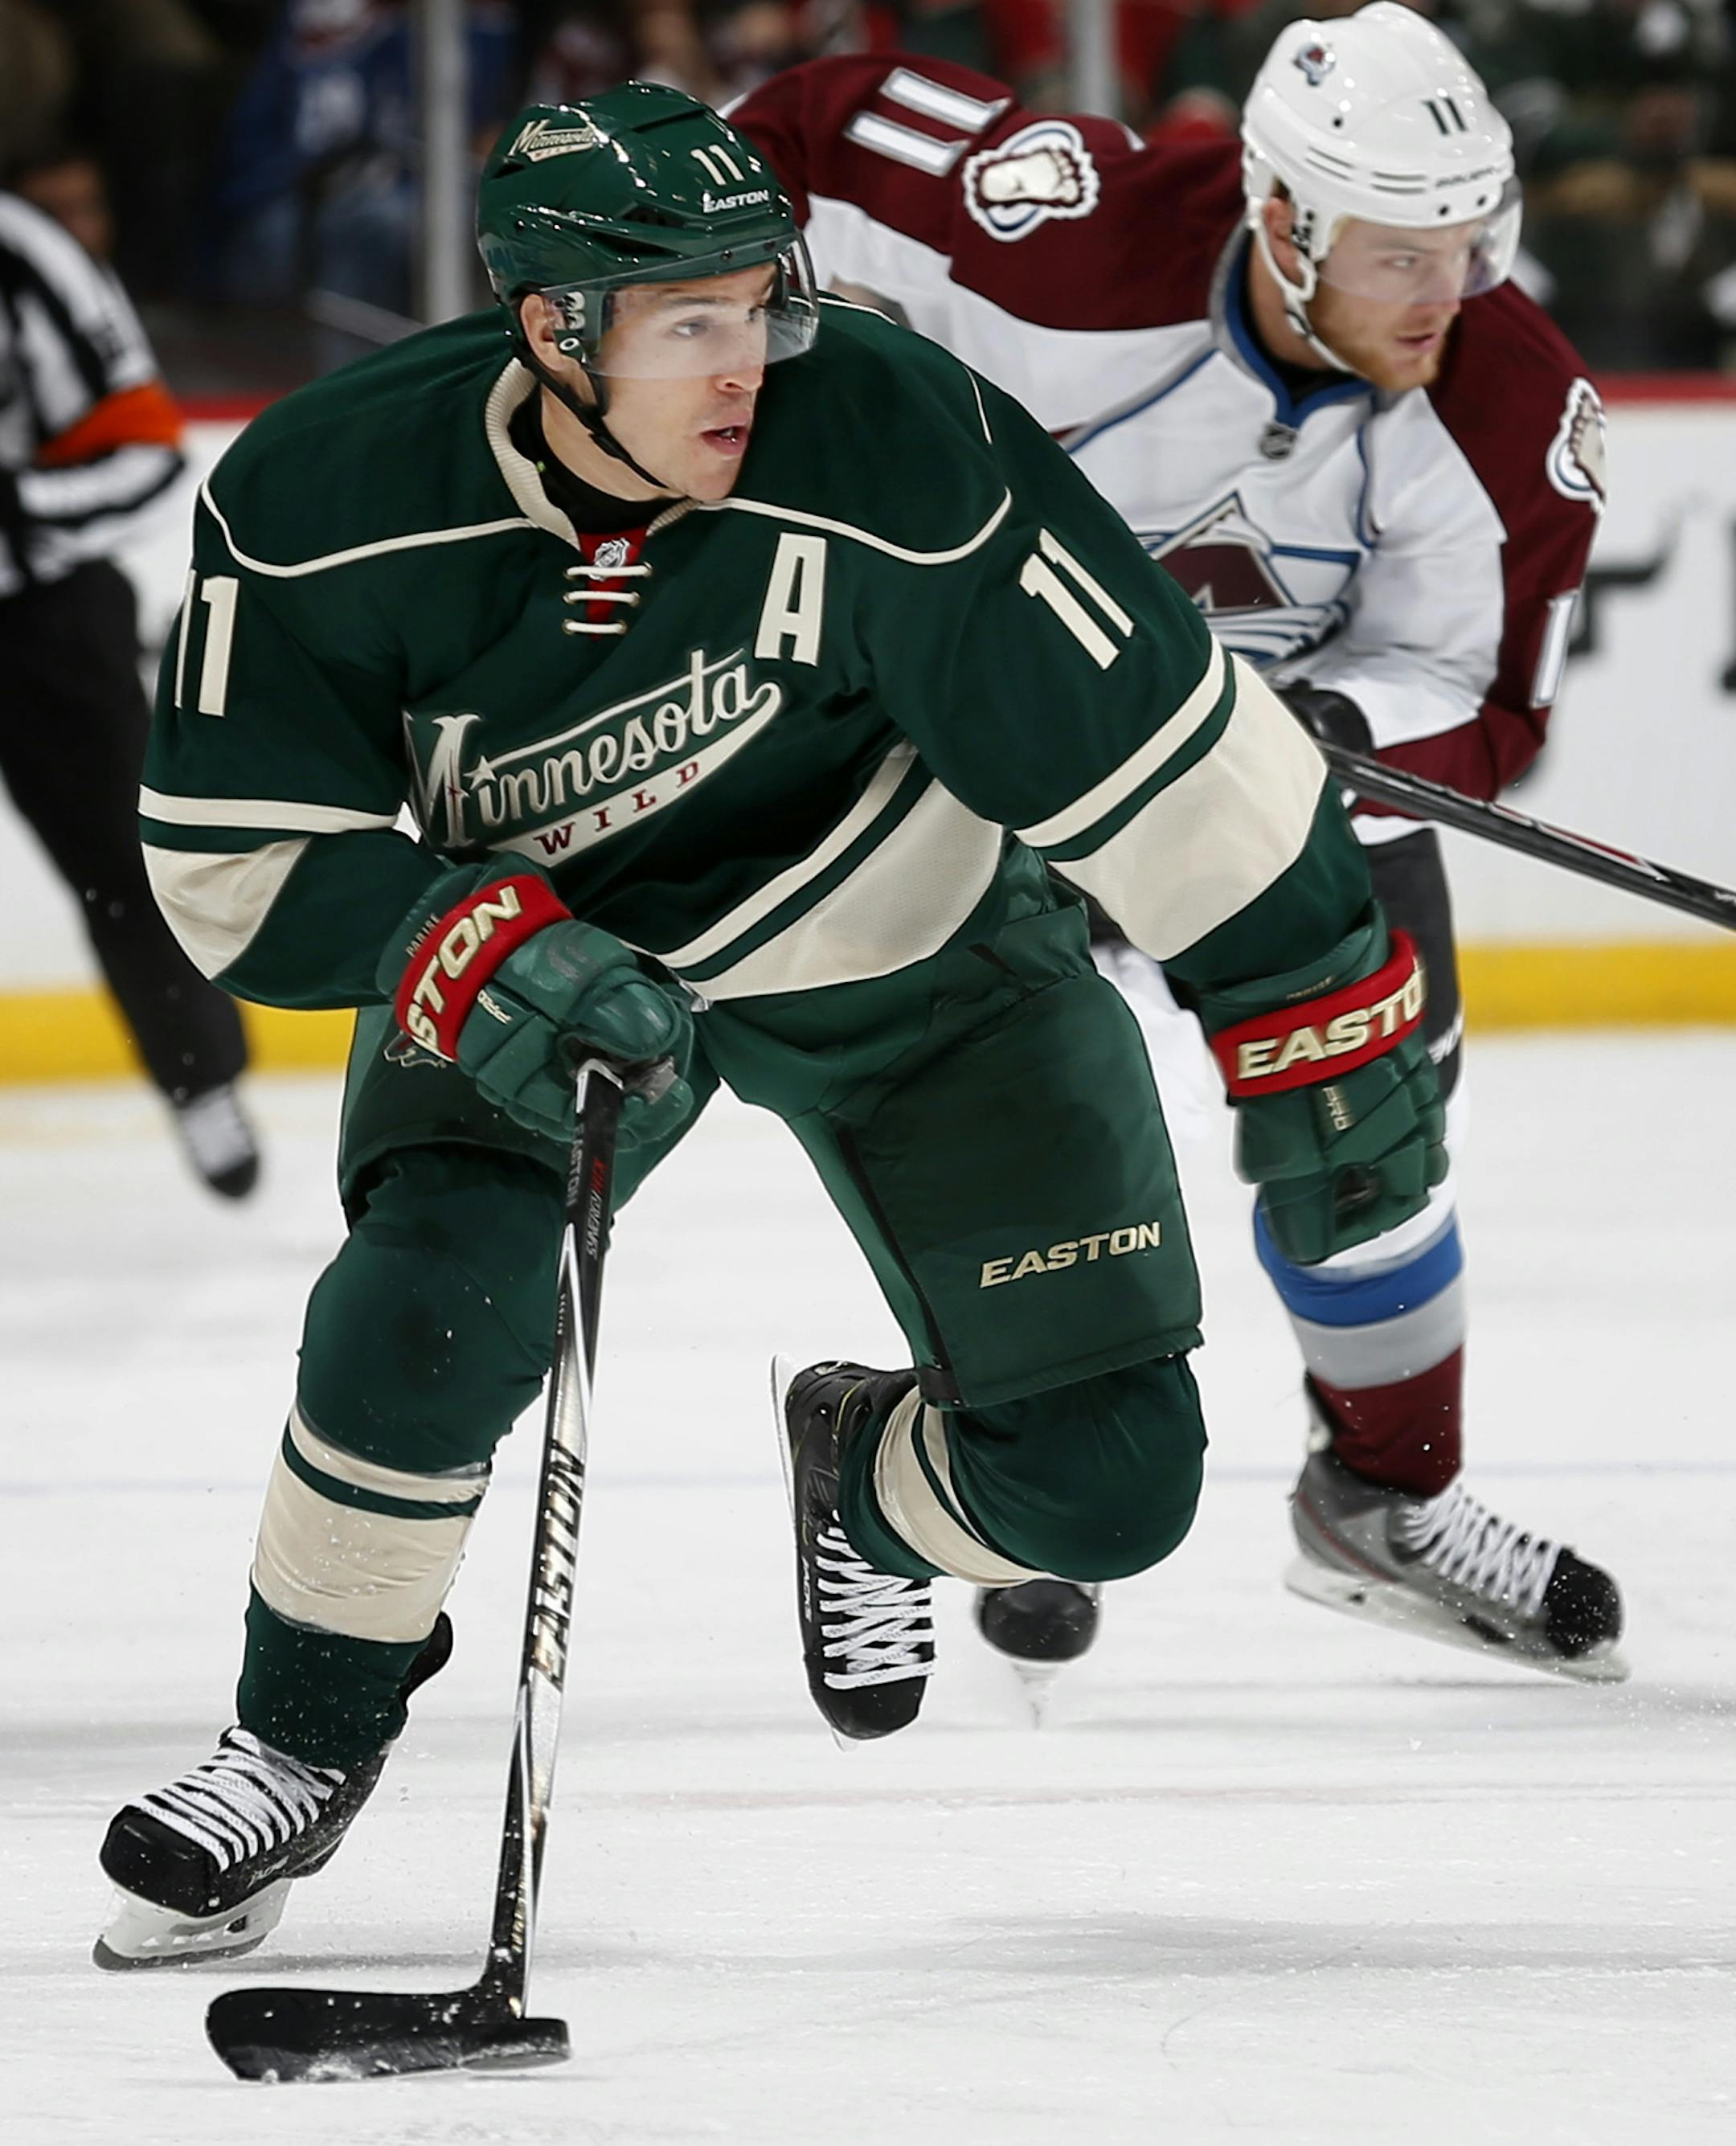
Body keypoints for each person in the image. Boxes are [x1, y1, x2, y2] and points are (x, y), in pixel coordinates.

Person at [94, 83, 1443, 1969]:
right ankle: (297, 1740)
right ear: (551, 328)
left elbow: (1160, 740)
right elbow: (235, 859)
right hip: (551, 970)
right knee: (418, 1316)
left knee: (1108, 1485)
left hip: (914, 936)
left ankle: (867, 1492)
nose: (750, 362)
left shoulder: (890, 430)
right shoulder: (322, 495)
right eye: (689, 323)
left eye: (762, 303)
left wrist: (1317, 1016)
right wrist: (462, 941)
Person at [731, 2, 1625, 1685]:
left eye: (1466, 245)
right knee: (1006, 1130)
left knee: (1371, 1129)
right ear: (1283, 218)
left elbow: (1481, 700)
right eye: (1400, 254)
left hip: (1269, 785)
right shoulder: (1069, 234)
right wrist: (747, 367)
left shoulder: (1512, 405)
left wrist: (1330, 730)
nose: (1446, 293)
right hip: (992, 748)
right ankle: (969, 1468)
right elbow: (808, 132)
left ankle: (1386, 1501)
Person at [0, 178, 259, 1197]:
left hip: (40, 619)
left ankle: (200, 1077)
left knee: (125, 860)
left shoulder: (23, 254)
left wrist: (18, 511)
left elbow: (146, 450)